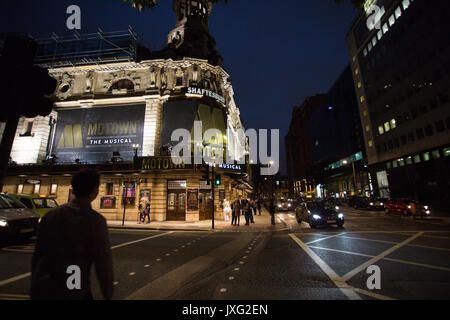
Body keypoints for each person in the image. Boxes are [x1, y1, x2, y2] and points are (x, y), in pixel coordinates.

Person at [30, 170, 114, 300]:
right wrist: (108, 295)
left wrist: (34, 286)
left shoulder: (51, 215)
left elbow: (37, 255)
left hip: (45, 286)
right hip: (74, 287)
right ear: (95, 190)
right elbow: (103, 264)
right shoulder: (95, 221)